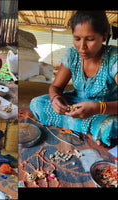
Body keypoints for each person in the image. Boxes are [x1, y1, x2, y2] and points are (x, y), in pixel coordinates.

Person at [30, 11, 118, 146]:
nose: (82, 47)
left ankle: (84, 127)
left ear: (104, 37)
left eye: (90, 39)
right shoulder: (73, 55)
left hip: (106, 110)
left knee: (110, 125)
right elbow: (56, 87)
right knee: (37, 103)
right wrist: (56, 99)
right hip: (75, 103)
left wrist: (98, 108)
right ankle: (89, 130)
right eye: (77, 39)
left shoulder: (114, 59)